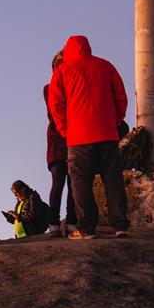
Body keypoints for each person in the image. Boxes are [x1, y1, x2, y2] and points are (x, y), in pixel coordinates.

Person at [48, 35, 129, 240]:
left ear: (68, 51)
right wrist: (115, 122)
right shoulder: (106, 66)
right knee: (113, 178)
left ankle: (86, 228)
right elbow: (121, 97)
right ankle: (120, 226)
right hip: (107, 133)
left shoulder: (62, 71)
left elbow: (56, 105)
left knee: (80, 181)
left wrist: (65, 130)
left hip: (78, 137)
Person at [44, 50, 78, 238]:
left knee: (73, 184)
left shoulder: (71, 89)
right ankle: (54, 224)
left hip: (72, 140)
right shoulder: (50, 89)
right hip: (59, 142)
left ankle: (71, 222)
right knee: (59, 183)